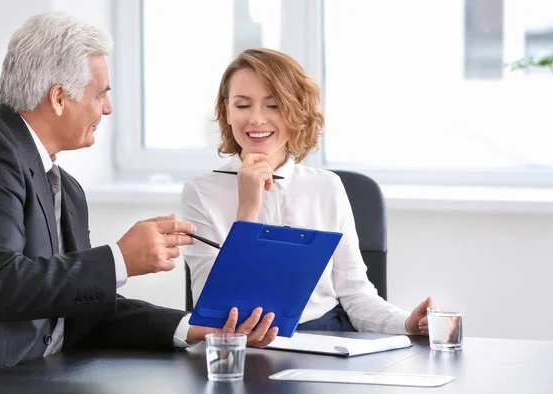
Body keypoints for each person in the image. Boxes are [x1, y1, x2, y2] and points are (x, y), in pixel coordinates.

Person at [0, 13, 276, 384]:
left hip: (53, 375)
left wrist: (196, 327)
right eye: (101, 94)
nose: (107, 109)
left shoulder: (67, 188)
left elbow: (82, 310)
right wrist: (119, 260)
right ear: (59, 97)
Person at [181, 48, 432, 335]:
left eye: (273, 105)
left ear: (295, 110)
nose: (257, 119)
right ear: (226, 111)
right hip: (241, 344)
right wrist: (247, 210)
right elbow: (212, 306)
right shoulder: (201, 191)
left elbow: (356, 296)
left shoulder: (326, 187)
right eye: (242, 105)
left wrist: (406, 324)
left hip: (326, 337)